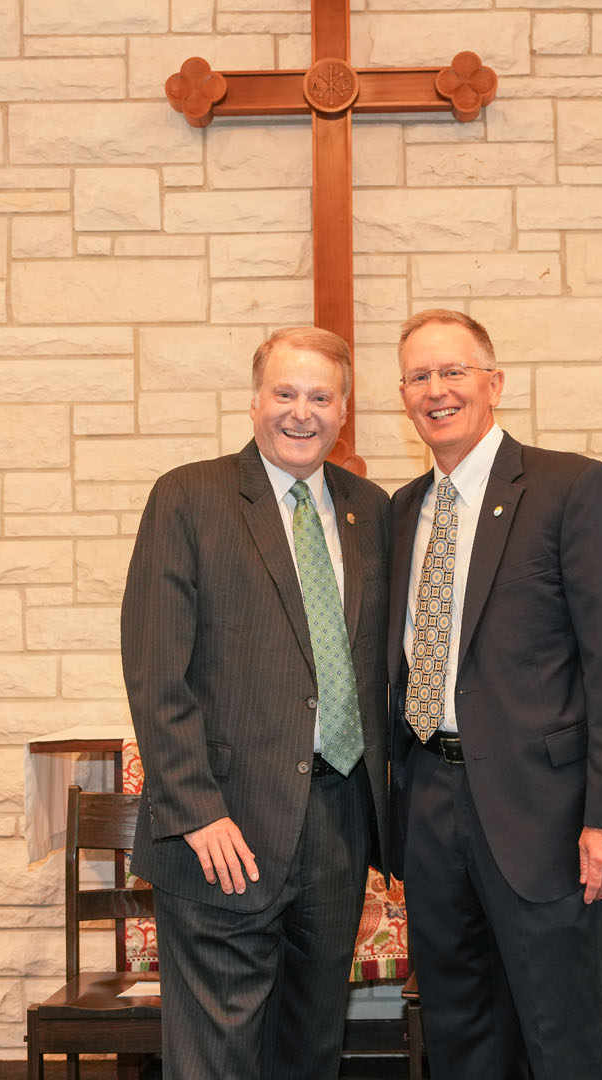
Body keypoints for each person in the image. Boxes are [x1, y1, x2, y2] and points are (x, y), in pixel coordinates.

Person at [385, 309, 602, 1079]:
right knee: (460, 1032)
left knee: (561, 1037)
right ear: (402, 395)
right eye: (418, 376)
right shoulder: (403, 511)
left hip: (544, 815)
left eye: (453, 371)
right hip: (431, 808)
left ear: (493, 383)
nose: (436, 390)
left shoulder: (569, 487)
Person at [121, 326, 390, 1080]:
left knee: (309, 1049)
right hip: (224, 828)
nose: (300, 412)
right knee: (218, 1057)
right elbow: (155, 670)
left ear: (343, 411)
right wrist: (196, 809)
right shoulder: (189, 497)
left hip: (338, 826)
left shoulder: (370, 510)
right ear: (252, 402)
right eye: (284, 393)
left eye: (319, 396)